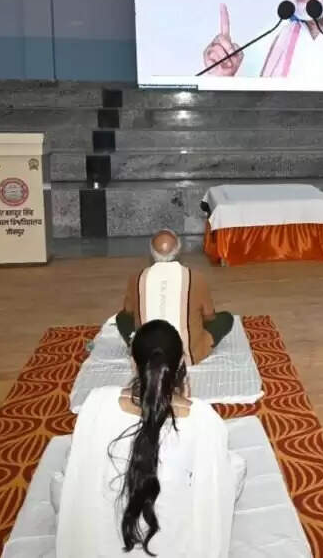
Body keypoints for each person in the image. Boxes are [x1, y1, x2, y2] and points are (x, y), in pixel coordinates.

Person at [56, 320, 244, 556]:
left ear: (134, 364)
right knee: (236, 467)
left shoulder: (96, 402)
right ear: (181, 363)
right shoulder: (203, 418)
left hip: (98, 547)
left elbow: (78, 469)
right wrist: (185, 397)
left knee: (64, 478)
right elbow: (214, 487)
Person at [117, 230, 234, 365]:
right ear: (178, 250)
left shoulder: (136, 278)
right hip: (186, 355)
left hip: (147, 356)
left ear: (151, 252)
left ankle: (137, 345)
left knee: (121, 318)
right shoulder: (196, 277)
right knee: (225, 318)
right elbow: (209, 317)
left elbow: (128, 312)